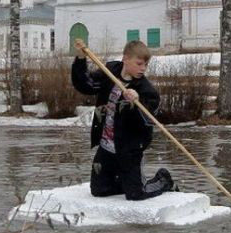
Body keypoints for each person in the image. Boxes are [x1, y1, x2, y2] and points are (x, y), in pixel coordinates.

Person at [71, 38, 175, 201]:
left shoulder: (146, 89)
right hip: (106, 146)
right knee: (99, 191)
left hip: (130, 149)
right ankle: (124, 181)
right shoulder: (110, 71)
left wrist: (136, 101)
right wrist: (81, 59)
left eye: (145, 65)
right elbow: (87, 85)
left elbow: (148, 119)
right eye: (139, 63)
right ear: (125, 58)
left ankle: (163, 180)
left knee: (135, 195)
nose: (143, 69)